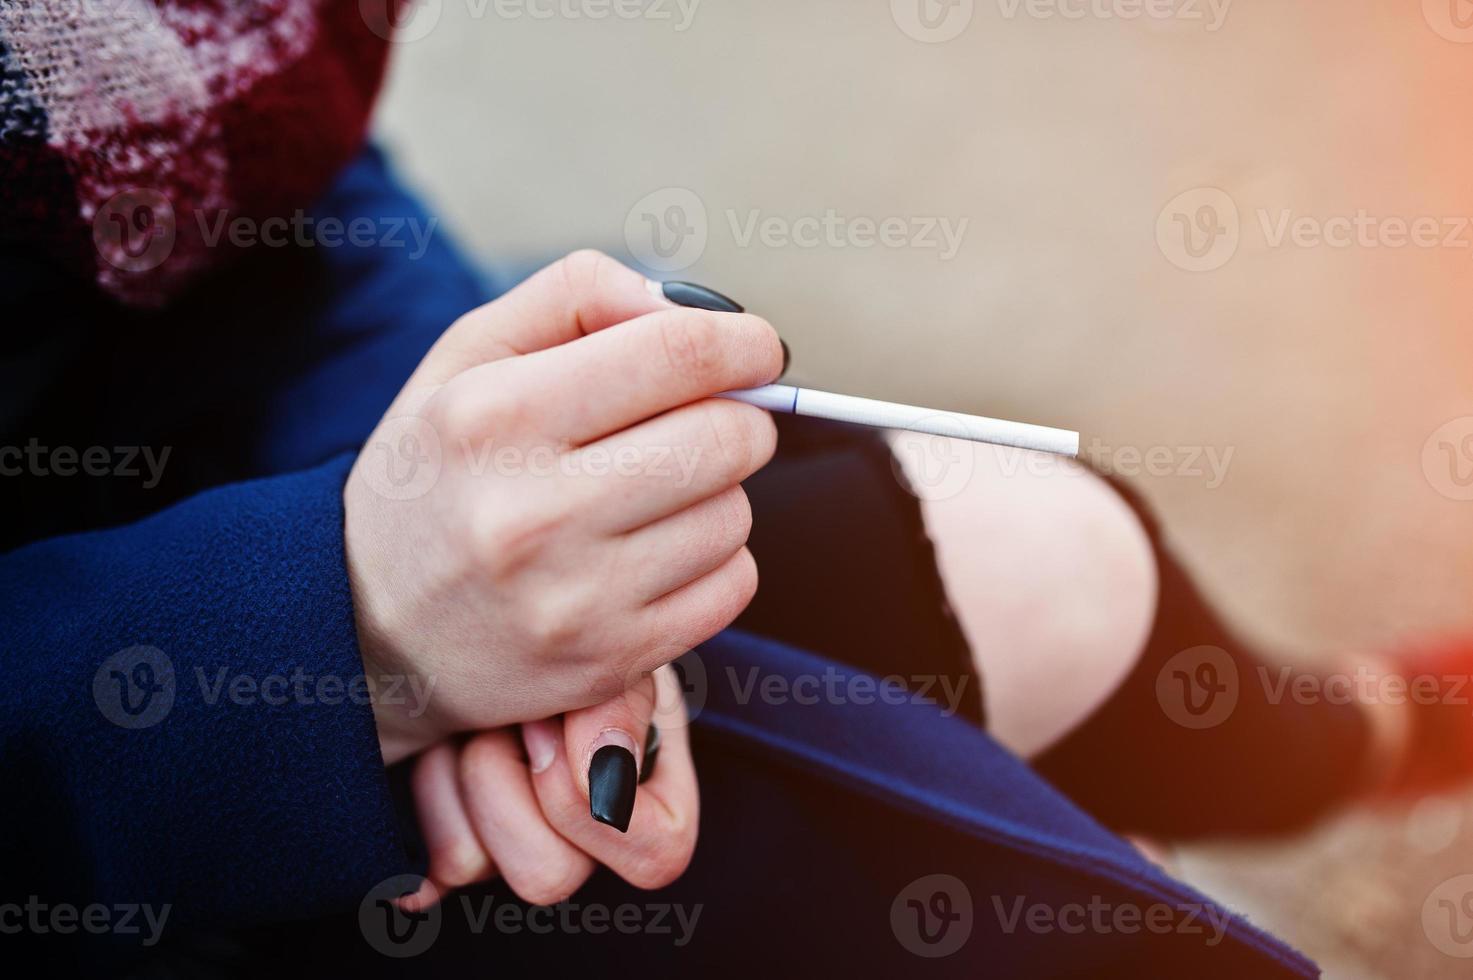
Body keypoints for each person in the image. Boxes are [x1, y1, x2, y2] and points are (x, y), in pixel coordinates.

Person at [0, 4, 1456, 974]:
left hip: (222, 527)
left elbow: (278, 183)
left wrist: (488, 524)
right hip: (115, 767)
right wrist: (340, 634)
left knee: (1044, 557)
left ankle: (1348, 739)